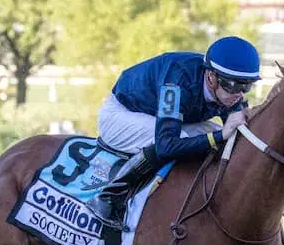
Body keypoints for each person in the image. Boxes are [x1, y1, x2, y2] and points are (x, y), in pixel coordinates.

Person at [86, 35, 261, 229]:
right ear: (211, 77)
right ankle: (109, 198)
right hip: (121, 114)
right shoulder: (177, 82)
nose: (239, 94)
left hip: (159, 117)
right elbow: (166, 145)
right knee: (190, 140)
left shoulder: (230, 91)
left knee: (227, 136)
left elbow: (237, 132)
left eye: (246, 85)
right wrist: (218, 136)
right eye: (234, 85)